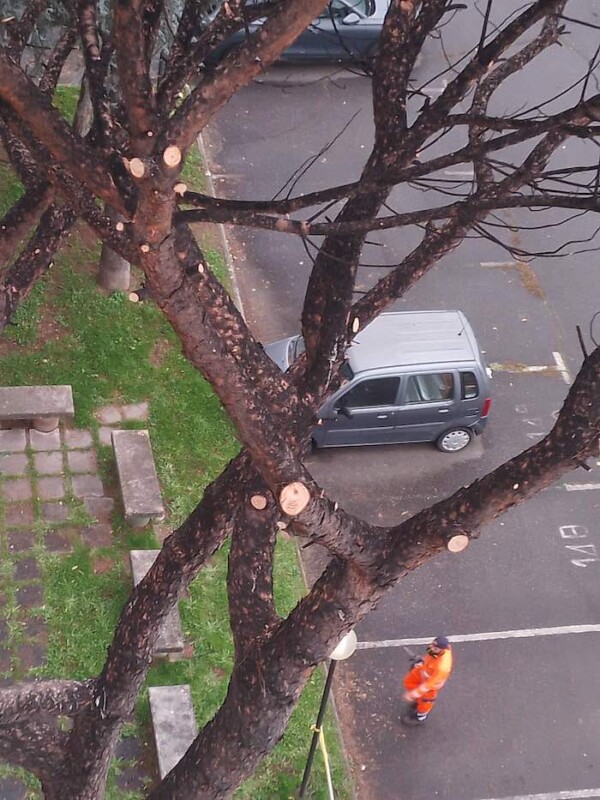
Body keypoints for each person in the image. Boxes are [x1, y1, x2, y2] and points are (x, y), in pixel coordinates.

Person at [401, 635, 453, 726]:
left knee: (426, 700)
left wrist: (413, 694)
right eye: (432, 645)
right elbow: (430, 656)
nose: (431, 648)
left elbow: (429, 684)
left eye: (435, 647)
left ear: (442, 649)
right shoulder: (436, 650)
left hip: (431, 683)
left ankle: (420, 717)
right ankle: (417, 700)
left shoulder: (442, 667)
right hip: (424, 671)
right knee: (409, 682)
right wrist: (422, 661)